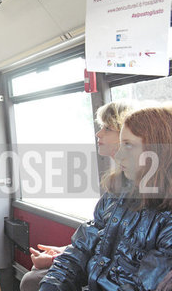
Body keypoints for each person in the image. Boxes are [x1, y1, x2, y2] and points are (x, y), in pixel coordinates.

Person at [39, 106, 172, 290]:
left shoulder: (167, 219)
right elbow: (81, 248)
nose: (118, 155)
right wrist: (52, 285)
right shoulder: (115, 195)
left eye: (128, 145)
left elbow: (143, 285)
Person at [20, 100, 136, 291]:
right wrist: (64, 252)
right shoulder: (116, 185)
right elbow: (101, 233)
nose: (99, 134)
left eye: (107, 128)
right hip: (99, 269)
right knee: (33, 278)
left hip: (109, 277)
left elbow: (121, 253)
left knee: (32, 280)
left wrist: (59, 258)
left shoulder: (144, 195)